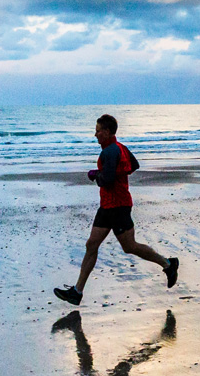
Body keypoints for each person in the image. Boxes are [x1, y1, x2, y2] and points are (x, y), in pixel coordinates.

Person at [55, 114, 178, 304]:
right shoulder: (120, 148)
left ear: (106, 131)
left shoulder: (110, 152)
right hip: (108, 206)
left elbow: (108, 180)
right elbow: (133, 166)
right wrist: (113, 172)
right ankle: (77, 292)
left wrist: (96, 176)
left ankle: (168, 264)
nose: (95, 134)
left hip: (118, 206)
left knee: (130, 247)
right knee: (92, 245)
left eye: (97, 130)